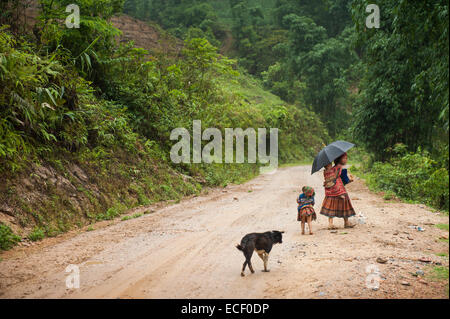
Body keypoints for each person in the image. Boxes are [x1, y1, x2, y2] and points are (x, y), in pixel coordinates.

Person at [320, 153, 356, 229]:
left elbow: (341, 180)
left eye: (346, 158)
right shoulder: (339, 168)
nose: (346, 160)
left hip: (331, 192)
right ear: (339, 159)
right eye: (344, 158)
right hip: (340, 190)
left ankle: (331, 224)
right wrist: (349, 180)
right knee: (344, 205)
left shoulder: (332, 170)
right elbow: (344, 180)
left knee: (332, 206)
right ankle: (346, 222)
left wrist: (348, 180)